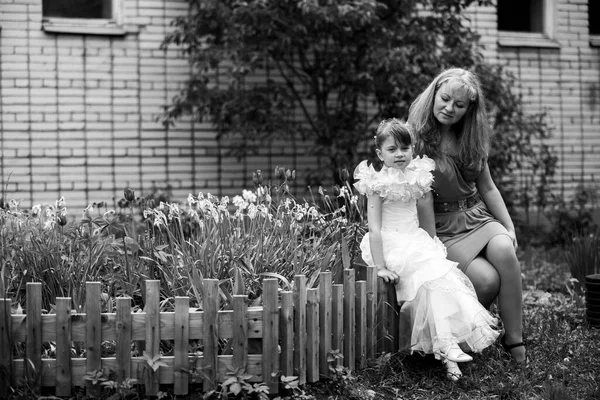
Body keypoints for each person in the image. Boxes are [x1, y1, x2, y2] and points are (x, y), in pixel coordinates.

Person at [354, 118, 500, 381]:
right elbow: (374, 229)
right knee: (430, 276)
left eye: (405, 148)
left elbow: (426, 219)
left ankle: (448, 348)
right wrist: (381, 266)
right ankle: (448, 348)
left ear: (412, 149)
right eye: (392, 149)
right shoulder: (375, 184)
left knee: (441, 278)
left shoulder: (419, 176)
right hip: (391, 244)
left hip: (416, 240)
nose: (400, 154)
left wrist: (433, 246)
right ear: (380, 153)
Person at [407, 67, 526, 364]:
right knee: (486, 282)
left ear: (469, 109)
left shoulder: (471, 138)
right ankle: (460, 336)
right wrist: (431, 245)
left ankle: (515, 342)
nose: (449, 108)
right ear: (434, 94)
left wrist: (509, 228)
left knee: (504, 250)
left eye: (459, 105)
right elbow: (417, 200)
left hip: (477, 216)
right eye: (445, 99)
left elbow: (488, 187)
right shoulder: (415, 140)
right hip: (443, 226)